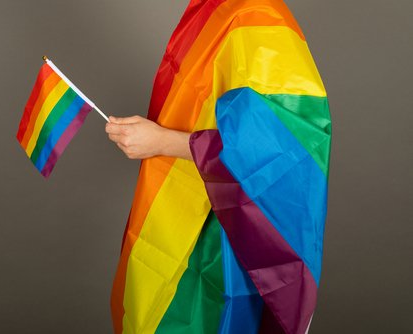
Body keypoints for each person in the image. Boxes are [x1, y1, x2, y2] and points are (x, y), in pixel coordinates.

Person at [106, 1, 331, 333]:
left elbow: (278, 146)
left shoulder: (258, 16)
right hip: (187, 209)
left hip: (235, 229)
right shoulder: (213, 8)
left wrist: (161, 142)